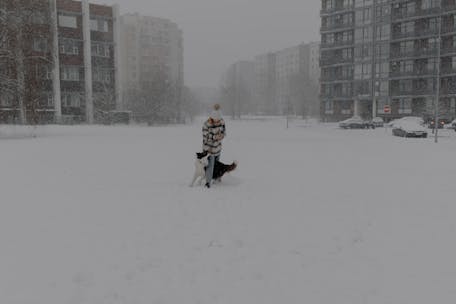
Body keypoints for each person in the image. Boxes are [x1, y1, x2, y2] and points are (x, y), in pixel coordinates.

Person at [202, 104, 226, 188]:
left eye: (218, 119)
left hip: (218, 148)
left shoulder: (222, 122)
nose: (217, 121)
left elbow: (224, 132)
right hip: (208, 149)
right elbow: (206, 137)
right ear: (212, 118)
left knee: (216, 165)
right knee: (210, 166)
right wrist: (215, 137)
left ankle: (216, 178)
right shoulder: (206, 124)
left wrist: (222, 135)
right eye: (216, 120)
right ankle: (207, 183)